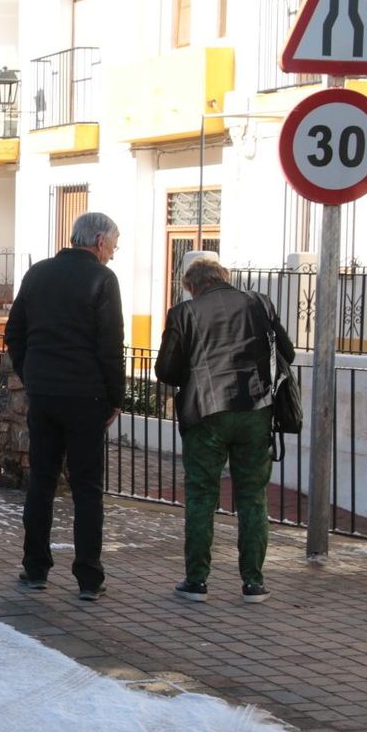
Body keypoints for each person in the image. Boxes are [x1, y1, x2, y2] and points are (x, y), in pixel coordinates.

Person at [154, 258, 295, 604]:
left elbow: (167, 371)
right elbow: (287, 352)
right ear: (224, 279)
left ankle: (197, 581)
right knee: (252, 497)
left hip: (205, 414)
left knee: (202, 495)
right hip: (256, 412)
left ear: (194, 285)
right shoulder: (260, 303)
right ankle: (253, 584)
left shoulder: (183, 314)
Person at [5, 212, 125, 602]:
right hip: (86, 397)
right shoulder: (102, 280)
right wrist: (115, 398)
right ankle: (89, 578)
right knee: (86, 487)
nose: (113, 253)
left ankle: (35, 568)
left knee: (41, 480)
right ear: (99, 241)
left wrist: (31, 374)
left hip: (44, 395)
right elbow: (110, 347)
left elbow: (15, 333)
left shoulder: (38, 273)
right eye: (113, 246)